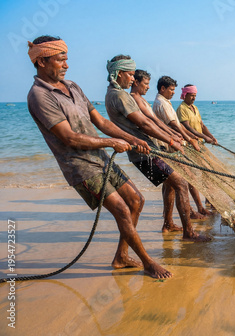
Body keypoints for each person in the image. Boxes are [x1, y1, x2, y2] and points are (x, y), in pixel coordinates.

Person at [26, 35, 171, 279]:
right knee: (123, 211)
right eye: (61, 60)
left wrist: (133, 140)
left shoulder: (73, 86)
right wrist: (113, 142)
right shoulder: (39, 96)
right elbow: (69, 138)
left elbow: (101, 121)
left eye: (66, 59)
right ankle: (148, 262)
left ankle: (121, 257)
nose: (66, 65)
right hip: (80, 167)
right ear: (41, 61)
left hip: (101, 158)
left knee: (137, 201)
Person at [104, 55, 210, 241]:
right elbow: (145, 123)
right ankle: (189, 232)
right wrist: (171, 140)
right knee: (181, 184)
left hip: (145, 150)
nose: (131, 78)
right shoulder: (121, 96)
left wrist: (171, 137)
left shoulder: (115, 94)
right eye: (129, 74)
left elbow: (149, 121)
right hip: (144, 153)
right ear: (119, 73)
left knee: (172, 185)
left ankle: (168, 223)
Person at [152, 76, 212, 219]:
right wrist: (190, 139)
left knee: (171, 185)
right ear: (163, 89)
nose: (173, 92)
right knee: (183, 181)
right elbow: (176, 125)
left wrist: (207, 137)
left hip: (174, 146)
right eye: (171, 90)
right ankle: (190, 214)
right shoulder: (163, 103)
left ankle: (169, 221)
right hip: (169, 147)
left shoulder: (166, 102)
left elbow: (199, 125)